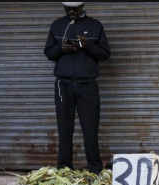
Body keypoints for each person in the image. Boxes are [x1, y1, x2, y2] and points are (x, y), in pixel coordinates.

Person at [44, 2, 111, 174]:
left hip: (87, 85)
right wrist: (61, 49)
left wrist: (88, 46)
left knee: (90, 128)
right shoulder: (57, 25)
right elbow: (49, 53)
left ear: (82, 6)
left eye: (76, 8)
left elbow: (105, 54)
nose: (72, 11)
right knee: (64, 128)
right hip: (63, 85)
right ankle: (64, 169)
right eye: (68, 8)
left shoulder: (94, 26)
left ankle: (95, 169)